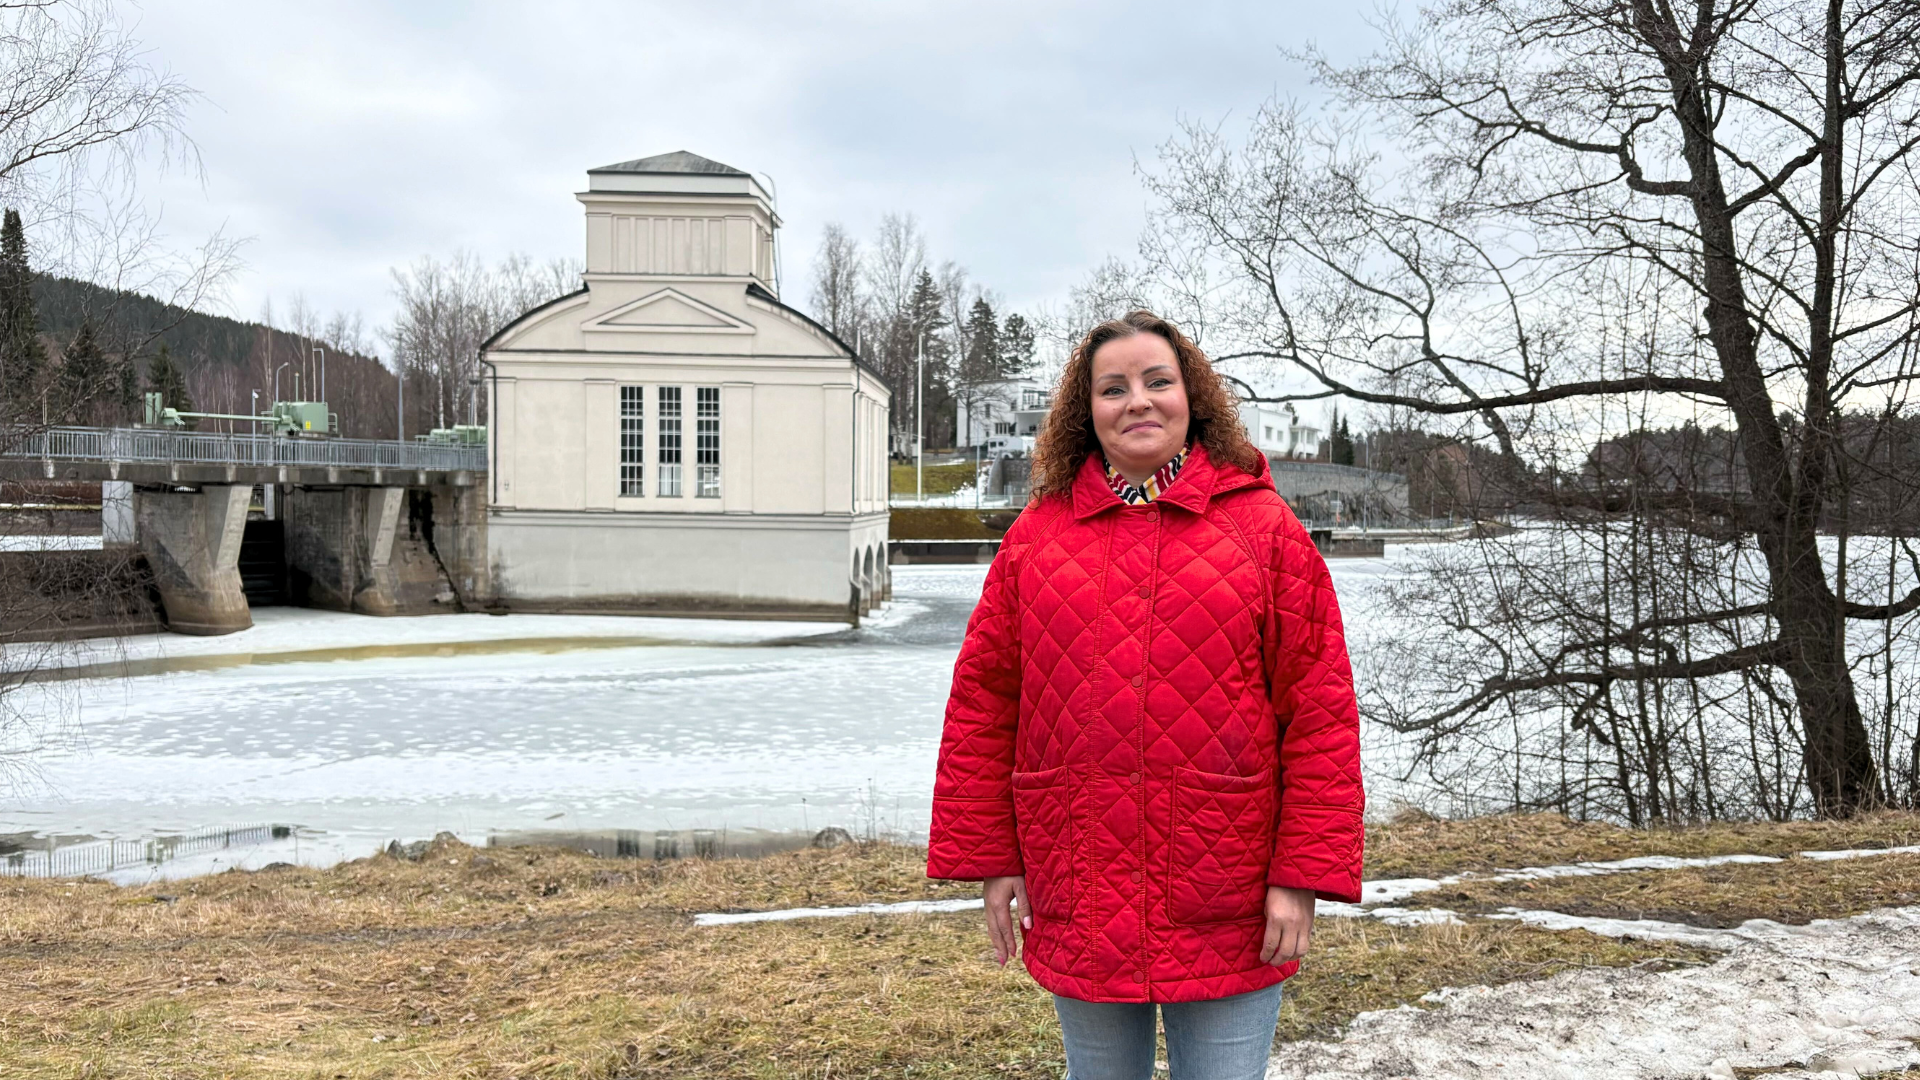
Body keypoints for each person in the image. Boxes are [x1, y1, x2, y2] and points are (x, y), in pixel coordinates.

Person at [927, 311, 1364, 1079]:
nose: (1138, 400)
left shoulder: (1264, 531)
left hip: (1228, 893)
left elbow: (1320, 713)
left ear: (1191, 397)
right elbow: (984, 705)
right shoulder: (1036, 538)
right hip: (1080, 882)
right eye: (1113, 387)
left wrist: (1300, 877)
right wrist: (995, 857)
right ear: (1085, 410)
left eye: (1158, 381)